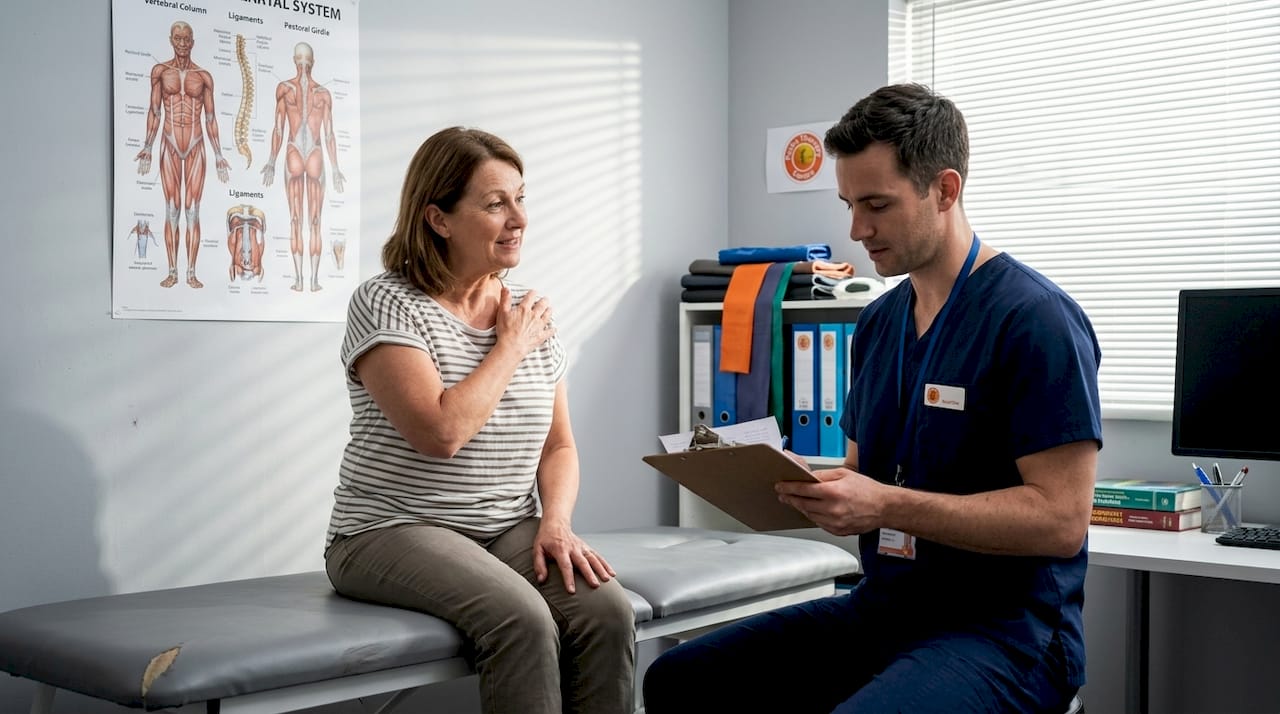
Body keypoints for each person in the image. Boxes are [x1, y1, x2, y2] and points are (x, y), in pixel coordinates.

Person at [643, 83, 1102, 714]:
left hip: (1004, 632)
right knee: (681, 680)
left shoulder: (1035, 320)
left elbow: (1060, 520)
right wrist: (797, 481)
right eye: (849, 204)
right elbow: (865, 476)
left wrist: (886, 503)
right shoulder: (879, 322)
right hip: (886, 609)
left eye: (877, 205)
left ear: (945, 190)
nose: (857, 229)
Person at [324, 127, 635, 714]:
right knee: (520, 620)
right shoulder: (387, 302)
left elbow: (559, 447)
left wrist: (557, 524)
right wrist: (509, 348)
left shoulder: (527, 312)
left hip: (503, 527)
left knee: (607, 612)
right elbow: (440, 433)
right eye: (495, 204)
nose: (519, 218)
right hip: (388, 530)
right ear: (438, 219)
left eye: (521, 197)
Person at [135, 21, 231, 290]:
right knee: (172, 209)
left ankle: (190, 272)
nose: (181, 43)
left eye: (186, 39)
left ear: (192, 42)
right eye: (177, 38)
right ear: (170, 40)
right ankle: (172, 271)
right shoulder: (159, 72)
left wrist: (219, 154)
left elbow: (210, 117)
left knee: (192, 211)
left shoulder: (203, 76)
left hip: (196, 143)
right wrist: (147, 146)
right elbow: (154, 111)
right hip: (169, 142)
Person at [261, 42, 346, 293]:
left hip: (295, 152)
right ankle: (311, 281)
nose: (304, 64)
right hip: (313, 153)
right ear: (312, 61)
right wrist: (335, 167)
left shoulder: (285, 89)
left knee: (297, 220)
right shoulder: (322, 93)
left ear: (295, 60)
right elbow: (328, 133)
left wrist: (272, 161)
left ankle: (301, 280)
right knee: (312, 221)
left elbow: (279, 128)